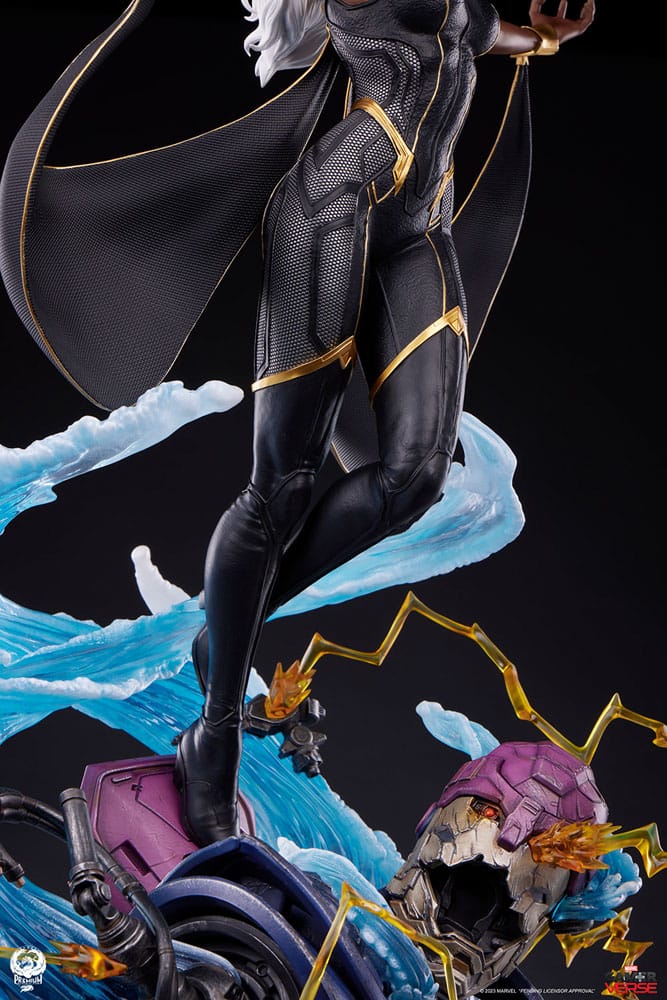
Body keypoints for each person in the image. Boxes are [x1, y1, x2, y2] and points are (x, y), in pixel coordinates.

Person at [0, 0, 595, 847]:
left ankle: (224, 636)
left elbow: (475, 30)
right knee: (281, 486)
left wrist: (540, 41)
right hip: (334, 205)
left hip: (419, 225)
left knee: (415, 476)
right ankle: (215, 730)